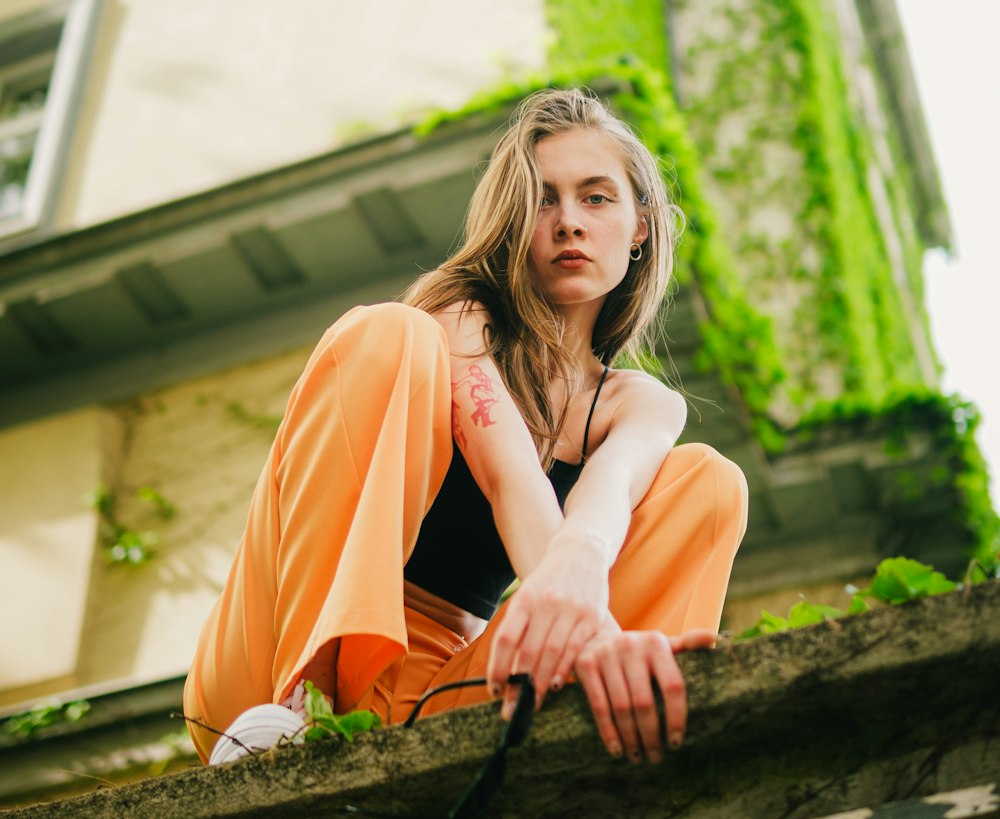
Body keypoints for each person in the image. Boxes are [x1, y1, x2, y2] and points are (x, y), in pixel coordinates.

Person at [184, 87, 748, 769]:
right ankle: (301, 709)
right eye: (544, 199)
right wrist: (588, 608)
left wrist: (590, 598)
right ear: (514, 223)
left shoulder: (639, 404)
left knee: (710, 482)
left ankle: (625, 732)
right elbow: (509, 477)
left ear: (640, 226)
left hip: (441, 691)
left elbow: (599, 514)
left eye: (596, 198)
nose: (569, 221)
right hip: (269, 666)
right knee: (387, 332)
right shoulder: (458, 316)